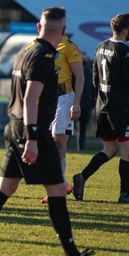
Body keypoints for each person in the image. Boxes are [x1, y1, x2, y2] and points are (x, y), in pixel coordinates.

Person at [0, 6, 108, 256]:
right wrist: (32, 137)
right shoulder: (43, 56)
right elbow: (31, 97)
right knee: (56, 191)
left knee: (4, 188)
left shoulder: (25, 50)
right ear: (63, 31)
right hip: (34, 131)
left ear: (39, 27)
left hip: (15, 126)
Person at [73, 13, 129, 205]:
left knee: (109, 149)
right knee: (126, 149)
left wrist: (99, 103)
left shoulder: (99, 47)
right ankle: (125, 194)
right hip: (120, 108)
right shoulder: (125, 52)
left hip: (103, 107)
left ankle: (82, 176)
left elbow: (95, 80)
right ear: (124, 30)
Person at [39, 34, 83, 203]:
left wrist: (76, 103)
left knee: (58, 144)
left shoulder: (68, 47)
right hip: (45, 100)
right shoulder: (39, 46)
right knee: (44, 145)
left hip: (64, 100)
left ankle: (56, 190)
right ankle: (63, 185)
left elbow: (80, 76)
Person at [76, 53, 95, 151]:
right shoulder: (73, 73)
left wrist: (93, 107)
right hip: (75, 104)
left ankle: (81, 149)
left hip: (86, 105)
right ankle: (64, 147)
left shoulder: (89, 74)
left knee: (82, 128)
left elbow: (93, 91)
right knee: (69, 128)